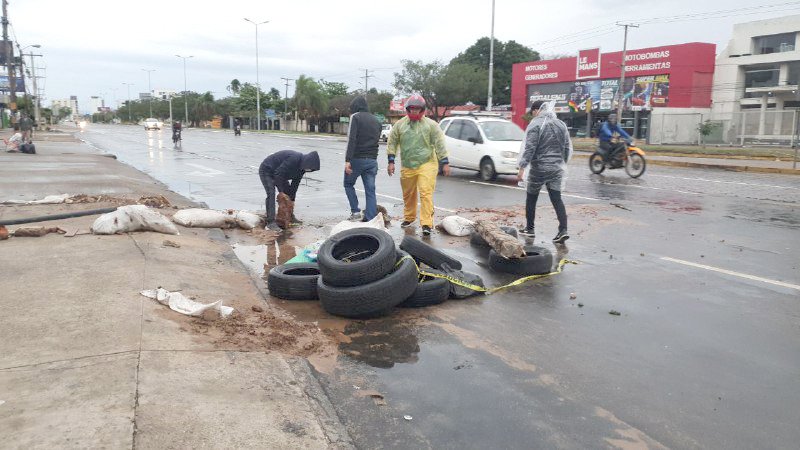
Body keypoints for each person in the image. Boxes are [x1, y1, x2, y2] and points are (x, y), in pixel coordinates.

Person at [386, 94, 449, 236]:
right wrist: (391, 161)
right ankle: (409, 217)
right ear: (408, 109)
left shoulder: (431, 125)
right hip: (407, 164)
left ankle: (427, 223)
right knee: (408, 193)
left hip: (427, 163)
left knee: (426, 192)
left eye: (417, 109)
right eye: (412, 109)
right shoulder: (400, 125)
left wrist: (444, 162)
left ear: (422, 110)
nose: (414, 111)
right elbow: (392, 142)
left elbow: (439, 143)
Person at [517, 100, 572, 243]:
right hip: (556, 169)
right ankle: (563, 230)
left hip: (538, 169)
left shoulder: (535, 124)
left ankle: (530, 229)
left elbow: (530, 148)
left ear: (536, 110)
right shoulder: (560, 124)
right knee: (556, 198)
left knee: (531, 198)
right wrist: (562, 163)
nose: (533, 115)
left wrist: (522, 167)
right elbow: (567, 147)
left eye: (533, 112)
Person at [258, 150, 320, 231]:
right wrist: (281, 192)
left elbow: (295, 184)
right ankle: (270, 222)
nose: (309, 170)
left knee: (288, 194)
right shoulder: (294, 159)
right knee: (271, 193)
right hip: (267, 170)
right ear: (307, 162)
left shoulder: (302, 169)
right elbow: (278, 174)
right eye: (310, 168)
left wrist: (292, 199)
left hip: (280, 174)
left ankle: (290, 217)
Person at [344, 96, 381, 222]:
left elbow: (352, 139)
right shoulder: (376, 120)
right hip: (372, 160)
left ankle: (355, 212)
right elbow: (377, 141)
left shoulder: (355, 117)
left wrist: (348, 160)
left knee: (348, 184)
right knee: (370, 190)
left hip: (357, 159)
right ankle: (370, 217)